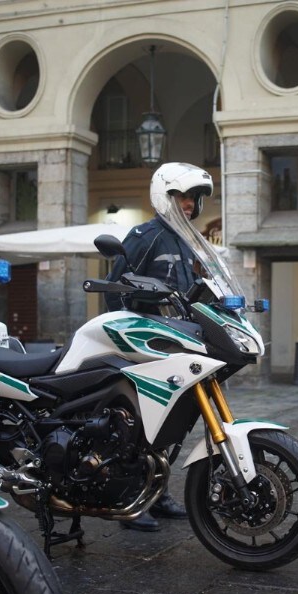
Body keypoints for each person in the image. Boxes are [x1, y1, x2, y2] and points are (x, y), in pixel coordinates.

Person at [104, 162, 213, 531]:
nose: (189, 204)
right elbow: (115, 287)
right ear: (165, 196)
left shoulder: (186, 240)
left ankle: (156, 493)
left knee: (169, 423)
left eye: (194, 198)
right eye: (182, 196)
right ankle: (129, 499)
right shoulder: (146, 235)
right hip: (145, 346)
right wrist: (128, 339)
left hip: (174, 344)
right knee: (139, 424)